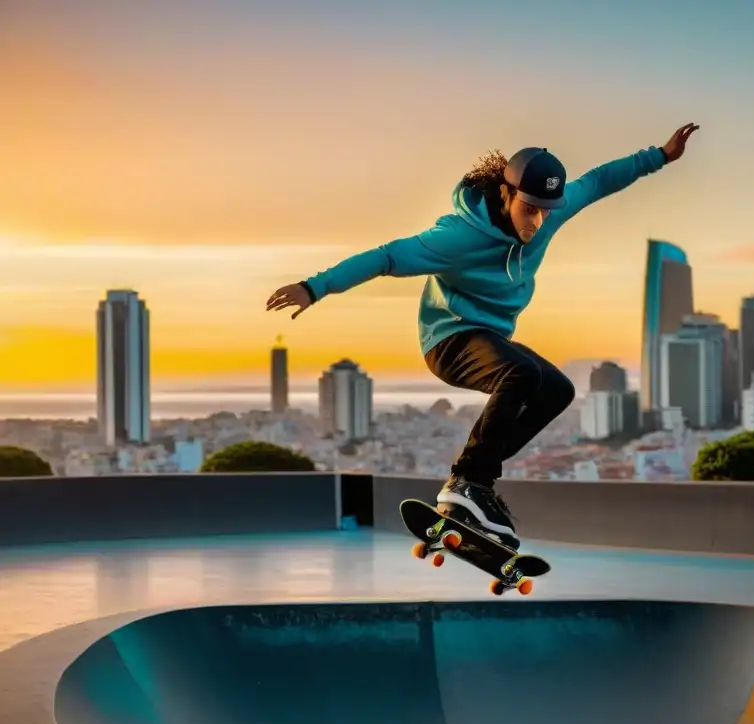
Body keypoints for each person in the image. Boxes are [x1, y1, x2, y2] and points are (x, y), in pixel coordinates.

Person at [266, 122, 700, 549]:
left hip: (493, 338)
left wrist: (659, 156)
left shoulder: (549, 211)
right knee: (522, 374)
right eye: (530, 208)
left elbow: (599, 180)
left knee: (558, 391)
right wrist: (313, 287)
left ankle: (473, 489)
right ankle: (470, 483)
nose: (538, 221)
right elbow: (385, 257)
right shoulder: (456, 236)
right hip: (448, 340)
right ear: (505, 193)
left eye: (546, 210)